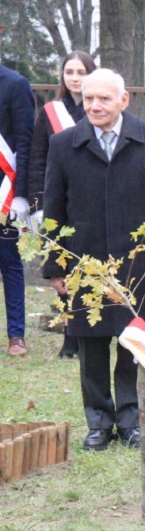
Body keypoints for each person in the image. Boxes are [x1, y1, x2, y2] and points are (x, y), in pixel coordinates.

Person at [42, 68, 145, 451]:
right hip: (83, 262)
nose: (94, 105)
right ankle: (99, 422)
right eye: (89, 98)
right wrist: (56, 265)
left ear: (123, 100)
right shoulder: (63, 144)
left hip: (136, 264)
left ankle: (130, 419)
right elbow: (54, 209)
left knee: (131, 343)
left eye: (104, 98)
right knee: (89, 344)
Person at [27, 50, 97, 359]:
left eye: (81, 72)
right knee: (65, 270)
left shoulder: (99, 108)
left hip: (93, 202)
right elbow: (38, 158)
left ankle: (94, 331)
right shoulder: (51, 111)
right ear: (63, 77)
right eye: (70, 72)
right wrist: (36, 204)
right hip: (60, 204)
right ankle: (70, 338)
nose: (75, 78)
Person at [0, 62, 34, 357]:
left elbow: (25, 141)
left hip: (3, 191)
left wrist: (21, 193)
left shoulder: (15, 83)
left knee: (9, 262)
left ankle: (16, 335)